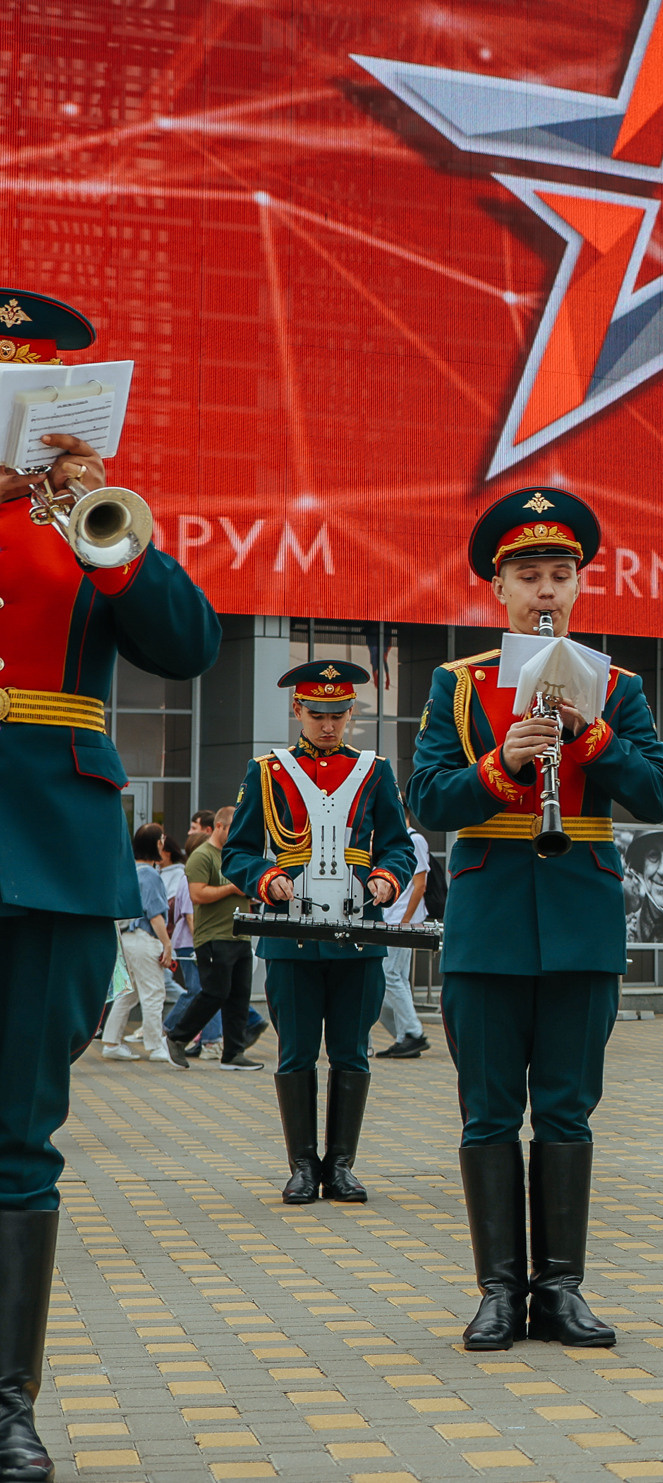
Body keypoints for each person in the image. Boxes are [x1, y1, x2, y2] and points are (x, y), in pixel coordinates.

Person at [0, 289, 224, 1483]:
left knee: (18, 1137)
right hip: (43, 842)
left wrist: (114, 534)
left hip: (50, 848)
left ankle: (2, 1407)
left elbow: (187, 646)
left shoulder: (86, 521)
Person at [407, 487, 663, 1352]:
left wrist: (593, 736)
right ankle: (497, 1291)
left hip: (581, 919)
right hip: (488, 921)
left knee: (567, 1109)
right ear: (500, 587)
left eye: (562, 573)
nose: (547, 589)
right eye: (530, 574)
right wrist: (498, 766)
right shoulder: (456, 685)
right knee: (488, 1112)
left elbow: (659, 792)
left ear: (580, 583)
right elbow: (424, 798)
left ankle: (559, 1288)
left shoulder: (618, 686)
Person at [223, 660, 419, 1206]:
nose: (327, 724)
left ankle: (343, 1165)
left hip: (359, 933)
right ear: (297, 710)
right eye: (316, 714)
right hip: (291, 936)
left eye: (337, 714)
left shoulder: (375, 770)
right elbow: (237, 852)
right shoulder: (268, 770)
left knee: (353, 1053)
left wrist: (386, 878)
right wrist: (267, 878)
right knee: (297, 1054)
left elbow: (399, 845)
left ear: (351, 712)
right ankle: (302, 1166)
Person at [170, 803, 260, 1066]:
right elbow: (197, 894)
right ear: (219, 826)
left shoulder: (237, 856)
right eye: (234, 829)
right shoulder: (203, 856)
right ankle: (177, 1037)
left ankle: (233, 1054)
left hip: (240, 935)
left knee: (239, 996)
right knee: (215, 992)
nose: (238, 834)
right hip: (212, 937)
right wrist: (232, 889)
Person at [100, 826, 178, 1063]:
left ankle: (112, 1042)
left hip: (126, 939)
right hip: (144, 939)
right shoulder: (151, 875)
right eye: (161, 839)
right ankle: (156, 1047)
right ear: (155, 844)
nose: (164, 843)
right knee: (154, 993)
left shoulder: (129, 871)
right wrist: (167, 945)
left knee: (128, 993)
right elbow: (155, 915)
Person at [373, 828, 433, 1059]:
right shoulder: (396, 839)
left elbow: (420, 885)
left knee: (391, 976)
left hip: (400, 922)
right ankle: (404, 1037)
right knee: (398, 978)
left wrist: (406, 921)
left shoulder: (414, 839)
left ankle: (413, 1032)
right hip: (393, 920)